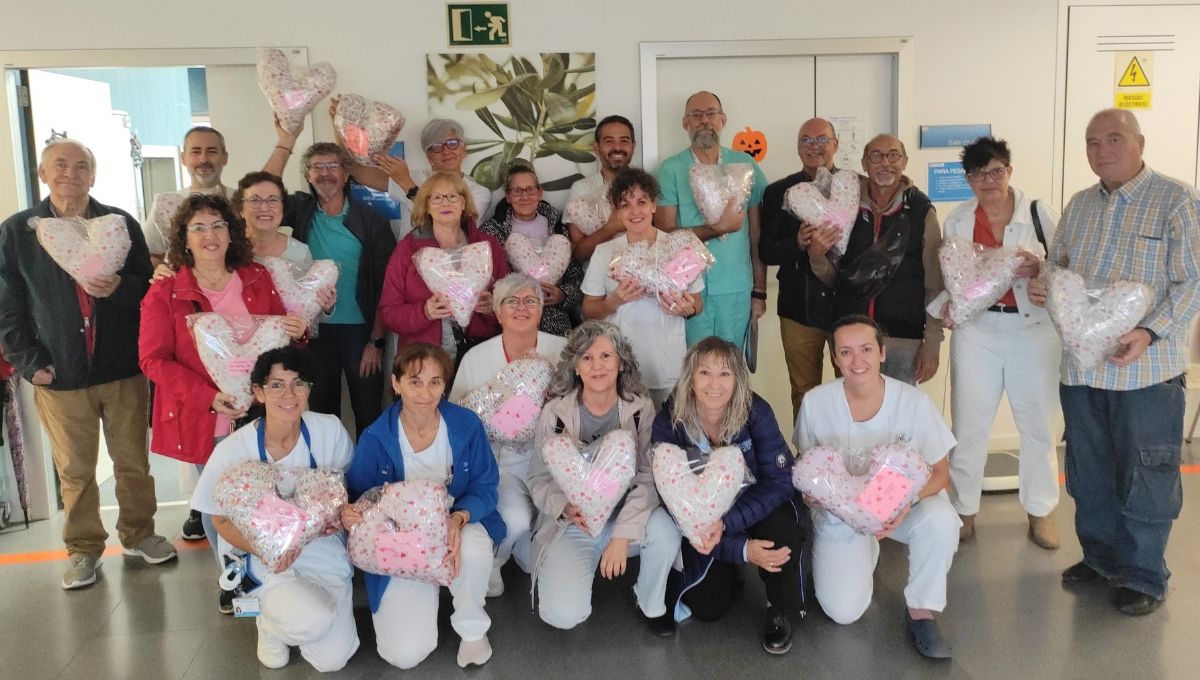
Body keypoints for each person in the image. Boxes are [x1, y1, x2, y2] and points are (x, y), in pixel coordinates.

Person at [1029, 108, 1200, 616]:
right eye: (1092, 141)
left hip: (1145, 372)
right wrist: (1045, 283)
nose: (1102, 149)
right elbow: (1060, 267)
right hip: (1083, 370)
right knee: (1090, 471)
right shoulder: (1080, 206)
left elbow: (1193, 281)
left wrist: (1150, 331)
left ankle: (1146, 574)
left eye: (1114, 138)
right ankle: (1101, 559)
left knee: (1146, 472)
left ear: (1140, 143)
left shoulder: (1176, 201)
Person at [0, 138, 174, 589]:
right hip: (58, 372)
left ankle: (140, 534)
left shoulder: (120, 224)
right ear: (42, 173)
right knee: (75, 469)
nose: (70, 174)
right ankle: (83, 549)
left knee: (133, 460)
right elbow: (7, 306)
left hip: (122, 367)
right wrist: (27, 361)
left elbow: (147, 290)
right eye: (60, 165)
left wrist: (118, 286)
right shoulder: (19, 231)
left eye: (82, 166)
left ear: (93, 176)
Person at [139, 194, 306, 603]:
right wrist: (209, 397)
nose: (209, 235)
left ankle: (271, 571)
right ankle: (234, 580)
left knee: (267, 494)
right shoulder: (165, 292)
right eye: (198, 228)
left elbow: (281, 337)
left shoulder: (256, 278)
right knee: (220, 503)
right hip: (206, 415)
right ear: (184, 238)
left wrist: (298, 331)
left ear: (231, 233)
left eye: (217, 225)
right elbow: (152, 360)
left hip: (261, 412)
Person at [793, 315, 959, 659]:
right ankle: (863, 546)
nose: (857, 361)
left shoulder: (913, 403)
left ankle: (922, 610)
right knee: (843, 612)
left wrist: (902, 505)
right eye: (846, 352)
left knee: (941, 520)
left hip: (900, 505)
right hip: (840, 512)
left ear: (883, 353)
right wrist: (813, 495)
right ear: (835, 358)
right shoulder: (816, 403)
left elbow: (942, 473)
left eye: (866, 349)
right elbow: (808, 466)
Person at [189, 347, 359, 671]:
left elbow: (344, 490)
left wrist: (337, 517)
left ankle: (294, 620)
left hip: (321, 548)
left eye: (299, 383)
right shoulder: (233, 450)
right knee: (314, 620)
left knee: (333, 660)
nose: (289, 394)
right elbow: (218, 518)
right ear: (258, 392)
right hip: (262, 557)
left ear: (309, 389)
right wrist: (265, 549)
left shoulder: (329, 431)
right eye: (277, 385)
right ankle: (269, 625)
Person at [934, 137, 1061, 548]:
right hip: (978, 333)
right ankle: (964, 510)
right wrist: (945, 310)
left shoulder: (1039, 213)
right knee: (969, 426)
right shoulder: (957, 220)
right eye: (977, 174)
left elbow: (1067, 268)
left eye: (996, 171)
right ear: (967, 179)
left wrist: (1040, 266)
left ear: (1009, 170)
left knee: (1037, 426)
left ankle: (1040, 511)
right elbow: (950, 279)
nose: (988, 181)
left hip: (1033, 332)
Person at [343, 344, 502, 669]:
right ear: (396, 383)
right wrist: (351, 511)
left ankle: (472, 629)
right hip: (402, 543)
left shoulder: (466, 425)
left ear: (445, 385)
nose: (425, 393)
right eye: (415, 382)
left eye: (435, 382)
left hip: (454, 527)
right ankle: (426, 586)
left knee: (471, 546)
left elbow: (486, 486)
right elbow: (358, 492)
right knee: (404, 655)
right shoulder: (376, 437)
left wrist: (458, 518)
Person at [525, 321, 681, 635]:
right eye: (587, 358)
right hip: (574, 523)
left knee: (665, 531)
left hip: (627, 516)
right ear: (575, 366)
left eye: (606, 356)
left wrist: (622, 534)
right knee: (562, 615)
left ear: (621, 363)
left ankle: (649, 599)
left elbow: (650, 477)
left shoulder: (640, 409)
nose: (597, 366)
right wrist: (566, 509)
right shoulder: (554, 413)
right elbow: (537, 478)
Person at [654, 337, 804, 654]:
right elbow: (669, 496)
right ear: (690, 378)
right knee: (708, 607)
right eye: (705, 373)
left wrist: (730, 521)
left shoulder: (756, 412)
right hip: (704, 523)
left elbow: (780, 482)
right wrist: (741, 551)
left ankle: (779, 608)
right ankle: (732, 571)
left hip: (753, 507)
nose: (715, 384)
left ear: (737, 380)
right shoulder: (670, 419)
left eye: (725, 374)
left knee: (783, 524)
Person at [266, 120, 396, 436]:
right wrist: (285, 141)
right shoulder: (299, 210)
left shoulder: (371, 221)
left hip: (360, 333)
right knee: (322, 415)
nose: (325, 173)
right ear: (308, 175)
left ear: (346, 173)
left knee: (369, 412)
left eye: (332, 166)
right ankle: (327, 481)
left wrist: (375, 341)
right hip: (314, 333)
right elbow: (263, 188)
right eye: (316, 167)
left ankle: (371, 478)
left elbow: (385, 285)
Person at [448, 273, 568, 596]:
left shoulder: (563, 350)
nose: (521, 307)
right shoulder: (475, 357)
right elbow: (456, 421)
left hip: (556, 459)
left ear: (541, 310)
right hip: (500, 459)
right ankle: (495, 561)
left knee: (542, 556)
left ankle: (530, 552)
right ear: (498, 313)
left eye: (530, 300)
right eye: (511, 301)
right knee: (514, 519)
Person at [809, 134, 944, 385]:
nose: (885, 163)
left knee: (900, 417)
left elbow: (935, 281)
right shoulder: (845, 205)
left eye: (893, 155)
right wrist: (816, 256)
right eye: (876, 156)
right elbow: (834, 277)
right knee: (854, 414)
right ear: (864, 163)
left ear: (904, 161)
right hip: (852, 336)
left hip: (903, 337)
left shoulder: (921, 211)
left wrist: (933, 342)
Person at [655, 91, 769, 349]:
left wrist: (759, 291)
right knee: (694, 367)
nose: (704, 120)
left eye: (710, 114)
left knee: (732, 365)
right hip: (688, 289)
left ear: (723, 120)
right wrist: (716, 229)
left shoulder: (745, 164)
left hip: (736, 286)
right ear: (686, 123)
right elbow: (664, 235)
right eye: (696, 115)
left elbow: (756, 233)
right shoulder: (671, 169)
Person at [582, 169, 704, 405]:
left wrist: (687, 309)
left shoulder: (678, 247)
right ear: (617, 211)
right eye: (626, 205)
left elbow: (698, 303)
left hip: (666, 364)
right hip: (618, 366)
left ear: (654, 206)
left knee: (666, 434)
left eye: (642, 202)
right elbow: (589, 310)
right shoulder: (605, 252)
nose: (635, 211)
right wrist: (614, 300)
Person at [378, 171, 508, 370]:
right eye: (436, 197)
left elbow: (508, 302)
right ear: (427, 205)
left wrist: (494, 308)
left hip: (478, 355)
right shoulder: (408, 249)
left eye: (453, 196)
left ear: (464, 202)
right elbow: (388, 312)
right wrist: (424, 312)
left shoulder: (487, 246)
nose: (445, 203)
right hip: (424, 361)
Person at [759, 117, 840, 418]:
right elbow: (766, 250)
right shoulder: (778, 191)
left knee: (855, 384)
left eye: (821, 139)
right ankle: (808, 460)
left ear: (836, 144)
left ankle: (850, 459)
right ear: (797, 147)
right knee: (804, 391)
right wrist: (796, 243)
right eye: (806, 140)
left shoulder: (854, 187)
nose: (814, 146)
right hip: (797, 308)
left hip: (846, 305)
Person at [337, 108, 493, 241]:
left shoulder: (478, 192)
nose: (446, 151)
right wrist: (340, 126)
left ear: (463, 150)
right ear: (429, 157)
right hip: (408, 267)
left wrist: (407, 185)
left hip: (450, 270)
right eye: (436, 146)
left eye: (452, 143)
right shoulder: (415, 176)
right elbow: (357, 170)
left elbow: (453, 228)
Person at [479, 163, 584, 335]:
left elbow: (576, 275)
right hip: (511, 323)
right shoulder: (492, 231)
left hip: (555, 323)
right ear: (507, 196)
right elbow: (485, 280)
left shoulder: (558, 225)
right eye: (517, 191)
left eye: (530, 190)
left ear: (540, 192)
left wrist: (563, 295)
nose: (524, 196)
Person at [145, 126, 232, 268]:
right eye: (195, 152)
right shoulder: (164, 203)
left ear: (225, 158)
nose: (203, 159)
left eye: (212, 151)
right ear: (183, 158)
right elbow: (152, 253)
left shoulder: (242, 201)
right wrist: (162, 271)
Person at [566, 114, 637, 261]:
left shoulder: (644, 186)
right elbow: (578, 254)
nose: (617, 147)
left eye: (624, 141)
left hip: (642, 277)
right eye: (609, 141)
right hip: (597, 277)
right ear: (596, 147)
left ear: (633, 146)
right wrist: (611, 228)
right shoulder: (582, 189)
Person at [233, 171, 314, 269]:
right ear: (241, 209)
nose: (264, 208)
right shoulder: (229, 249)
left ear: (283, 208)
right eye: (254, 200)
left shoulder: (300, 253)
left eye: (273, 200)